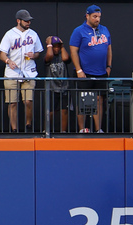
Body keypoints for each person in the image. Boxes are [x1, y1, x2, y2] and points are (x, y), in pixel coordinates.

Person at [0, 9, 43, 133]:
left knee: (28, 101)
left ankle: (28, 124)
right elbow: (2, 54)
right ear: (18, 21)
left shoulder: (33, 34)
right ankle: (14, 129)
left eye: (29, 20)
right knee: (12, 103)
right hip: (12, 72)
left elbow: (38, 52)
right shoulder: (10, 34)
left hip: (29, 71)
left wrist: (34, 55)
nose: (28, 22)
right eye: (26, 20)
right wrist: (8, 61)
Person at [70, 4, 112, 134]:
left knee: (99, 100)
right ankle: (83, 129)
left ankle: (98, 129)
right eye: (94, 16)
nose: (97, 19)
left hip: (101, 72)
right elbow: (73, 51)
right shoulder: (79, 31)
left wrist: (109, 66)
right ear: (87, 16)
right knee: (82, 100)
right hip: (85, 72)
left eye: (99, 17)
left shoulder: (104, 30)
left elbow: (109, 49)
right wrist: (79, 70)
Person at [44, 36, 71, 133]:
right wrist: (49, 45)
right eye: (54, 47)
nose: (56, 49)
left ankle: (63, 131)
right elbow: (49, 56)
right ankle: (47, 130)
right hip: (52, 88)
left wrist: (62, 46)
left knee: (64, 110)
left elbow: (66, 58)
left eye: (58, 47)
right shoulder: (49, 56)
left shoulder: (62, 55)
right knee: (51, 111)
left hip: (64, 87)